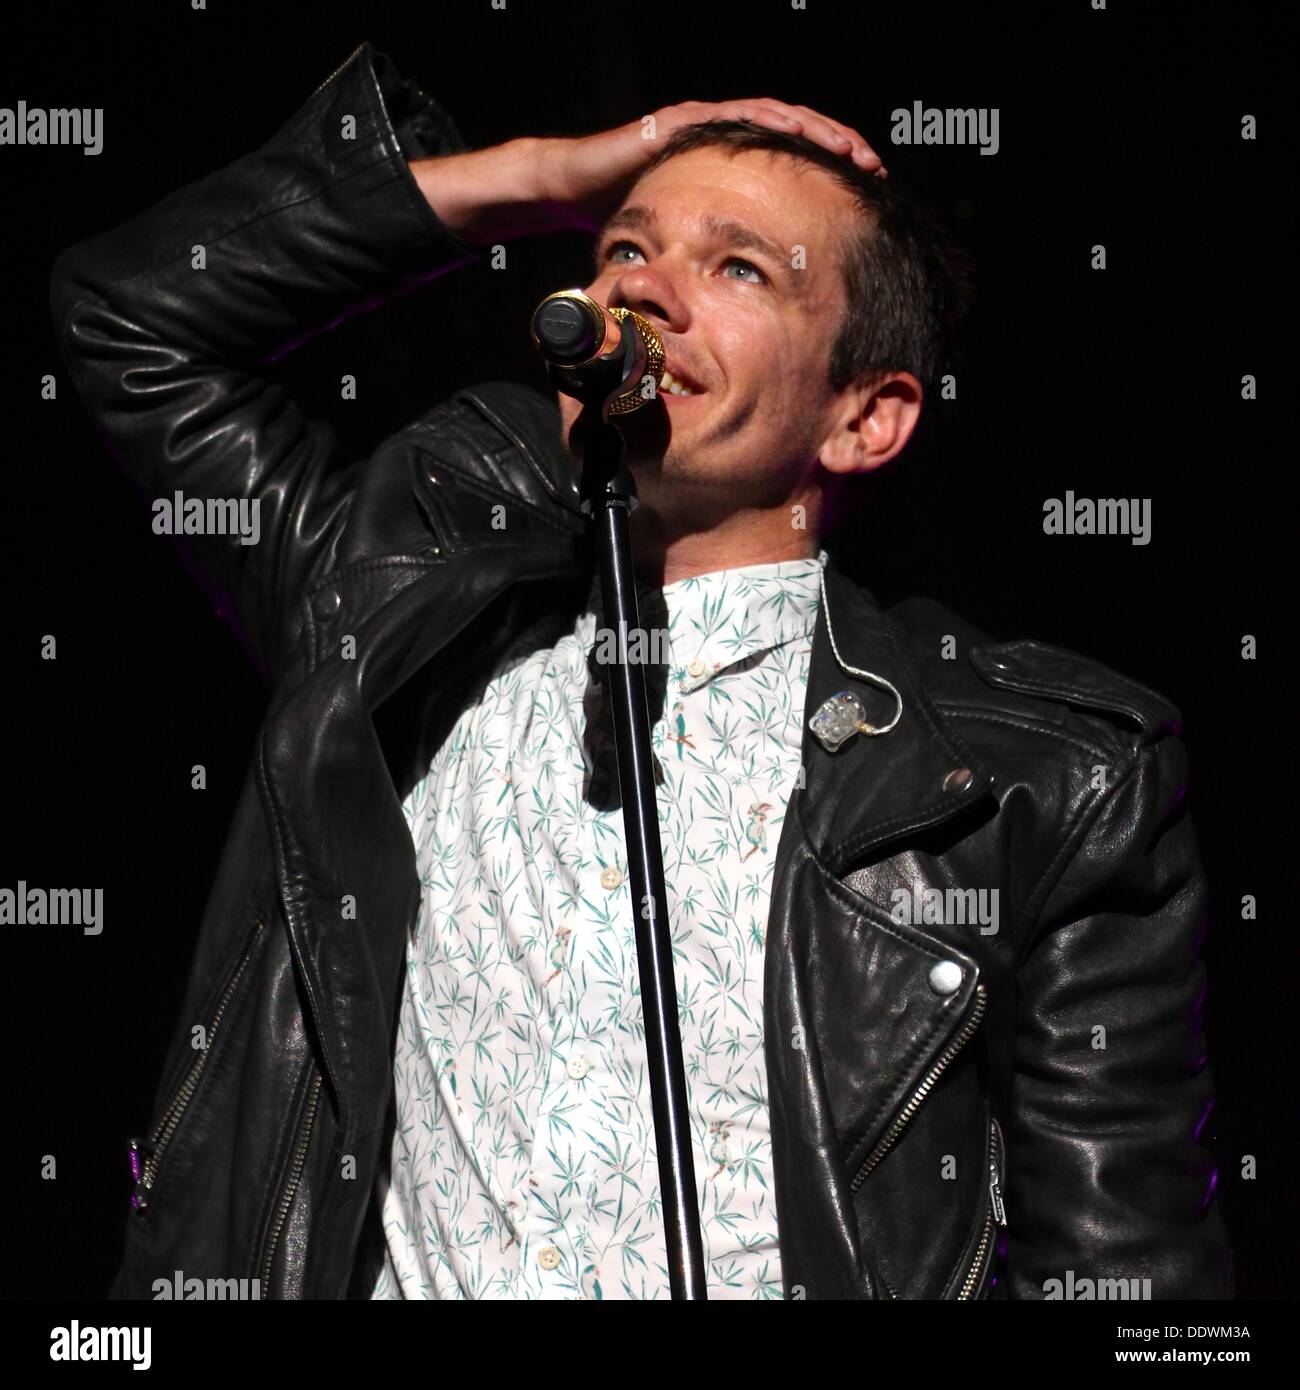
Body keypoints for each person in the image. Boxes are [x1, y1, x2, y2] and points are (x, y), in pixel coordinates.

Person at [51, 41, 1231, 1300]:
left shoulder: (1035, 783)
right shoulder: (391, 609)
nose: (649, 291)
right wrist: (543, 178)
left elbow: (1127, 1277)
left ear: (864, 416)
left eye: (736, 267)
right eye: (624, 250)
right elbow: (126, 313)